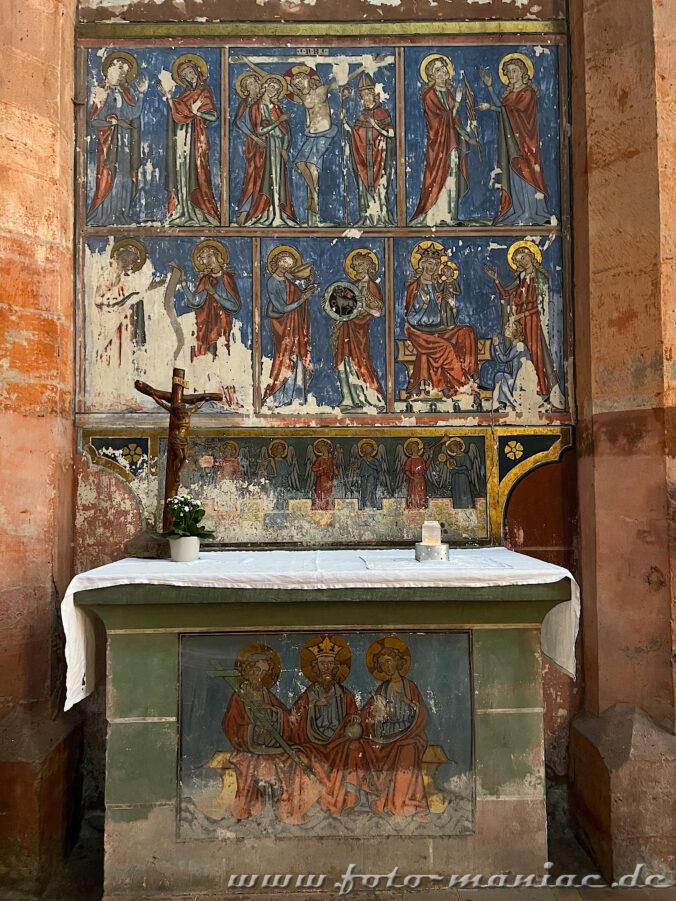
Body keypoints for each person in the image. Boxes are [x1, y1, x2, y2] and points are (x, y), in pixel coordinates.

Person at [222, 644, 320, 824]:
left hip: (271, 745)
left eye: (263, 672)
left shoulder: (266, 694)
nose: (258, 675)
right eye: (256, 669)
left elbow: (286, 718)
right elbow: (230, 725)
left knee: (299, 758)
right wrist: (252, 729)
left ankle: (288, 810)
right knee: (252, 765)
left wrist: (273, 714)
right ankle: (251, 811)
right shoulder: (239, 695)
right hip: (250, 748)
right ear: (247, 670)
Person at [290, 636, 366, 815]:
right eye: (322, 665)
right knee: (303, 755)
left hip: (339, 741)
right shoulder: (308, 696)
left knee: (354, 747)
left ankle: (348, 797)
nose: (326, 668)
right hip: (313, 744)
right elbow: (294, 720)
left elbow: (354, 715)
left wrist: (354, 720)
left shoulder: (345, 695)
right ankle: (321, 799)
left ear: (335, 668)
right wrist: (313, 705)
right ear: (315, 668)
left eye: (329, 665)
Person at [478, 54, 550, 226]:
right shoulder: (510, 94)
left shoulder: (528, 92)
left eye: (514, 71)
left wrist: (496, 108)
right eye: (508, 71)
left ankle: (531, 212)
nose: (511, 75)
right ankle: (518, 209)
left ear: (523, 72)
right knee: (514, 174)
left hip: (525, 141)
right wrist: (489, 88)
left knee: (526, 172)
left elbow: (515, 113)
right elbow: (503, 109)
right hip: (511, 142)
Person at [361, 638, 429, 819]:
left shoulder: (410, 687)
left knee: (408, 749)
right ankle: (378, 797)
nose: (386, 667)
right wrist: (378, 715)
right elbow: (367, 714)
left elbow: (422, 713)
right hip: (386, 736)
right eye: (382, 664)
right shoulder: (382, 689)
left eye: (389, 662)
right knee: (365, 747)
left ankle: (403, 802)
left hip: (409, 734)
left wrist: (410, 706)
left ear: (398, 662)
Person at [484, 241, 559, 400]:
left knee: (534, 353)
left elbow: (541, 306)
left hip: (532, 321)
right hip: (521, 322)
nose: (522, 262)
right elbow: (506, 295)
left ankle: (540, 388)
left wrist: (520, 315)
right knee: (521, 355)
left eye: (524, 258)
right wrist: (496, 280)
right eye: (519, 261)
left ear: (532, 256)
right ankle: (523, 389)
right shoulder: (521, 277)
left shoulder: (541, 278)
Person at [404, 242, 478, 399]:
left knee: (467, 332)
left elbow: (447, 312)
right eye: (429, 264)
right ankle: (463, 385)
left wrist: (450, 305)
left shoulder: (439, 284)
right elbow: (410, 319)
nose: (432, 268)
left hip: (440, 328)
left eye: (435, 264)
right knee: (446, 348)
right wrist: (423, 305)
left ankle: (472, 376)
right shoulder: (415, 287)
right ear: (422, 264)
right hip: (419, 332)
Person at [410, 54, 474, 227]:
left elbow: (453, 119)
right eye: (437, 70)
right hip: (438, 144)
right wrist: (458, 103)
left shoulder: (448, 93)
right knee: (439, 175)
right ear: (431, 75)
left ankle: (449, 216)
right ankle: (434, 216)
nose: (441, 72)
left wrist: (467, 137)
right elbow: (439, 119)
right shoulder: (429, 95)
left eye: (443, 69)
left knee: (452, 176)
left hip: (451, 142)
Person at [87, 52, 147, 225]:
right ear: (109, 69)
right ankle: (104, 215)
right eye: (119, 69)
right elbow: (93, 121)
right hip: (109, 144)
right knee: (109, 176)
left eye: (125, 72)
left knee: (125, 176)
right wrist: (112, 122)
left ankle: (121, 214)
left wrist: (141, 94)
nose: (121, 74)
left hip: (125, 144)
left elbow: (133, 113)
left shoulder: (126, 93)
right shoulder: (100, 92)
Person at [161, 54, 220, 226]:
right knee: (181, 171)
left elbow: (213, 115)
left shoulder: (204, 92)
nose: (189, 75)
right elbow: (177, 112)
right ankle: (182, 210)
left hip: (196, 138)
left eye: (190, 71)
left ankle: (199, 212)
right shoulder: (184, 95)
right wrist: (170, 98)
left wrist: (196, 113)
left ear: (197, 71)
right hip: (181, 137)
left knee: (197, 171)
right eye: (185, 74)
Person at [262, 246, 316, 407]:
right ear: (277, 261)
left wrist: (307, 288)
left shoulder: (287, 280)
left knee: (297, 358)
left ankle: (297, 398)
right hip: (283, 327)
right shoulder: (272, 282)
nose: (286, 266)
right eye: (284, 262)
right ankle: (279, 397)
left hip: (295, 326)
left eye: (289, 264)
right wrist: (303, 298)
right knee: (285, 357)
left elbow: (298, 295)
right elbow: (282, 307)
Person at [241, 74, 298, 227]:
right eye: (272, 87)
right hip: (265, 150)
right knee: (266, 180)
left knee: (279, 181)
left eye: (277, 90)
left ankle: (280, 215)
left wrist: (285, 147)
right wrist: (278, 121)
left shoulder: (276, 108)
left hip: (278, 147)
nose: (274, 91)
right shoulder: (256, 107)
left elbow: (286, 130)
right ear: (265, 86)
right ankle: (267, 214)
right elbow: (260, 130)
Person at [332, 250, 385, 410]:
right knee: (344, 362)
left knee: (361, 362)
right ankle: (349, 399)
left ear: (369, 266)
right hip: (346, 328)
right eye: (355, 266)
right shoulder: (351, 286)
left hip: (361, 331)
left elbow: (378, 312)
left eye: (361, 265)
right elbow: (341, 307)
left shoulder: (372, 287)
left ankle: (373, 399)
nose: (357, 269)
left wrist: (365, 304)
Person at [172, 241, 241, 361]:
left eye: (210, 257)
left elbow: (234, 306)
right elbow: (196, 301)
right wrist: (183, 283)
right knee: (208, 357)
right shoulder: (206, 279)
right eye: (204, 259)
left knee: (222, 357)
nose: (208, 261)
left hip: (223, 324)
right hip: (207, 326)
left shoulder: (226, 278)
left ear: (217, 256)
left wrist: (214, 294)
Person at [348, 73, 395, 226]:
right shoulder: (362, 115)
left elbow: (391, 134)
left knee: (380, 188)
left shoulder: (383, 113)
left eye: (368, 95)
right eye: (363, 96)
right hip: (364, 160)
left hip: (379, 159)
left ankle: (380, 217)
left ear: (375, 96)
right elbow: (356, 135)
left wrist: (375, 125)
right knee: (364, 188)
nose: (366, 99)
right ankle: (367, 218)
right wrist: (346, 126)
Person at [480, 318, 535, 411]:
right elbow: (503, 359)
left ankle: (513, 403)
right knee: (499, 376)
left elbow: (505, 359)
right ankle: (507, 403)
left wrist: (497, 346)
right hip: (515, 379)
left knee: (500, 377)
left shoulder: (519, 345)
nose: (506, 327)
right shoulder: (514, 345)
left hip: (522, 382)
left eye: (509, 327)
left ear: (515, 332)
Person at [232, 71, 264, 225]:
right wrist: (255, 137)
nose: (253, 86)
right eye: (249, 84)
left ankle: (260, 211)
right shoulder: (245, 103)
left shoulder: (265, 101)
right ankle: (246, 211)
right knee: (252, 176)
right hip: (253, 146)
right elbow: (239, 122)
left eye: (255, 82)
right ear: (245, 89)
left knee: (264, 177)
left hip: (266, 146)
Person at [400, 437, 432, 510]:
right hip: (413, 479)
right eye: (414, 447)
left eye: (417, 447)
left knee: (422, 493)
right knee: (413, 493)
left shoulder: (421, 459)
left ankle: (421, 506)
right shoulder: (409, 460)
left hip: (421, 478)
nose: (416, 448)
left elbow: (425, 468)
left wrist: (430, 456)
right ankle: (413, 506)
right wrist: (412, 477)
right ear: (411, 449)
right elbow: (406, 470)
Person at [310, 439, 337, 511]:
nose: (324, 449)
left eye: (325, 448)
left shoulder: (331, 459)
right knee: (321, 493)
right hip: (322, 479)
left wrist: (335, 470)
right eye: (322, 448)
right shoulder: (320, 459)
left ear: (328, 448)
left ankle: (328, 507)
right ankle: (320, 507)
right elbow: (313, 468)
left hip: (329, 479)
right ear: (320, 450)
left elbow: (334, 469)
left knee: (328, 493)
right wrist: (321, 468)